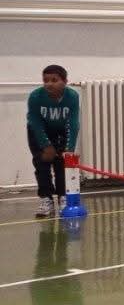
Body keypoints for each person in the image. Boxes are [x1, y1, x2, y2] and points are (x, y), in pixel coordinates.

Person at [26, 64, 79, 218]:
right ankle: (46, 199)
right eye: (46, 80)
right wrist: (46, 145)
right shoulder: (35, 96)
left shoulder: (72, 96)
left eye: (54, 80)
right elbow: (35, 122)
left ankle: (63, 197)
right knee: (42, 164)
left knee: (62, 164)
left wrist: (69, 148)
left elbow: (73, 123)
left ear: (65, 82)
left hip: (61, 131)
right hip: (38, 131)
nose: (49, 84)